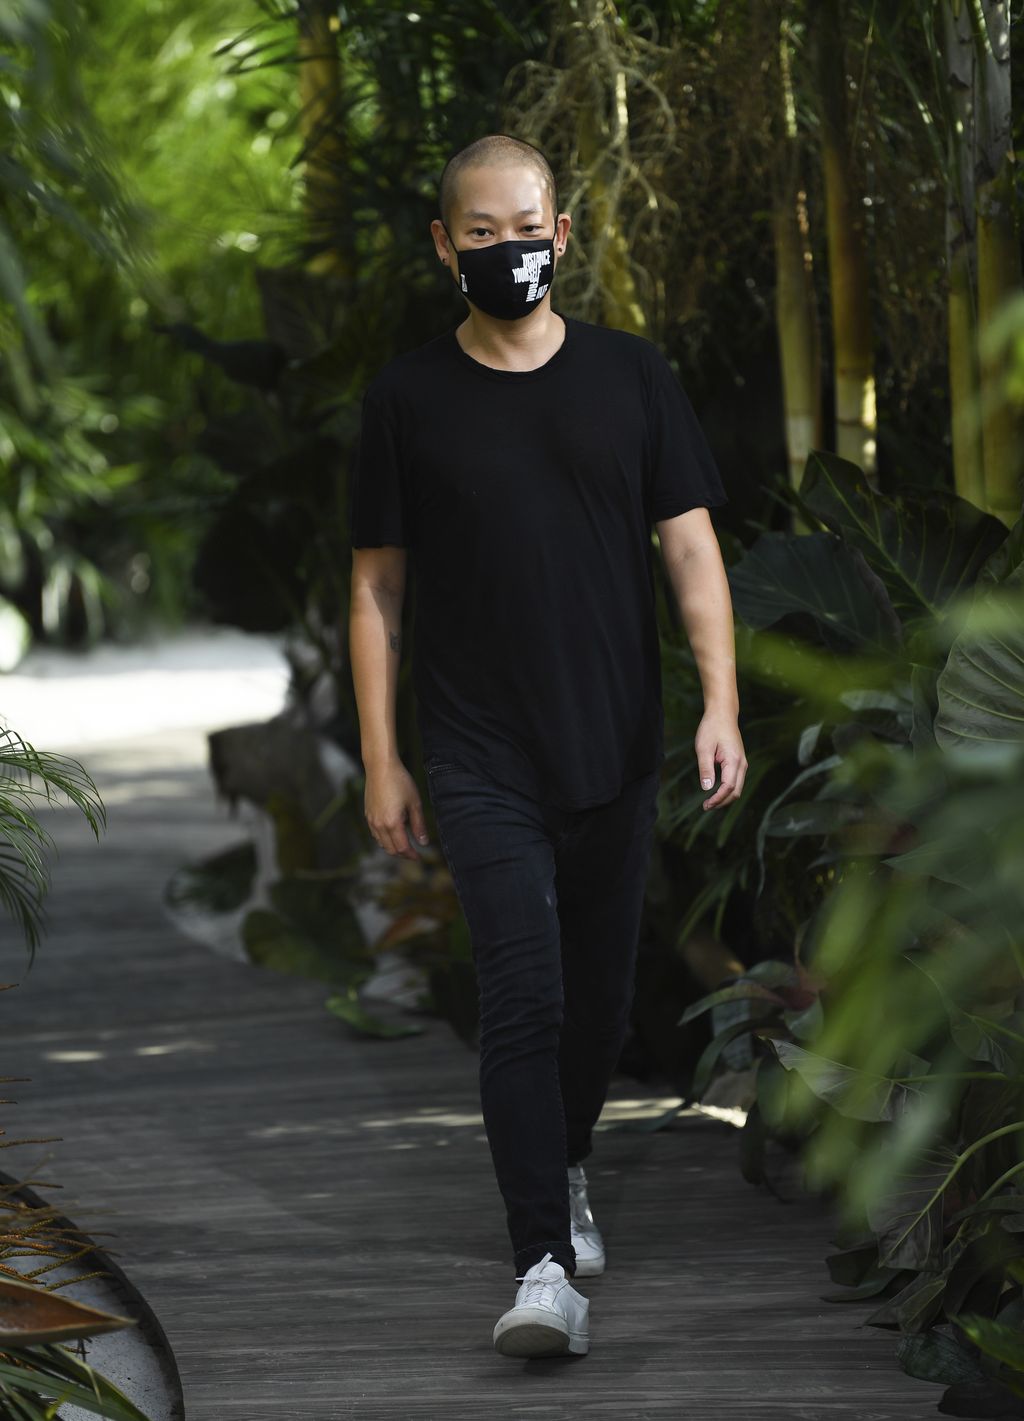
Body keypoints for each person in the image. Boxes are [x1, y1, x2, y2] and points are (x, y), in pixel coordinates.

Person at [347, 132, 746, 1359]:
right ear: (444, 244)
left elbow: (689, 550)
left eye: (527, 225)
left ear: (562, 234)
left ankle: (565, 1161)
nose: (507, 247)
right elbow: (375, 591)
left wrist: (717, 701)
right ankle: (539, 1268)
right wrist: (382, 756)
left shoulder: (629, 377)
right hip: (476, 751)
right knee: (520, 991)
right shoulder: (406, 399)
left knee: (595, 1003)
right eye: (481, 230)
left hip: (612, 742)